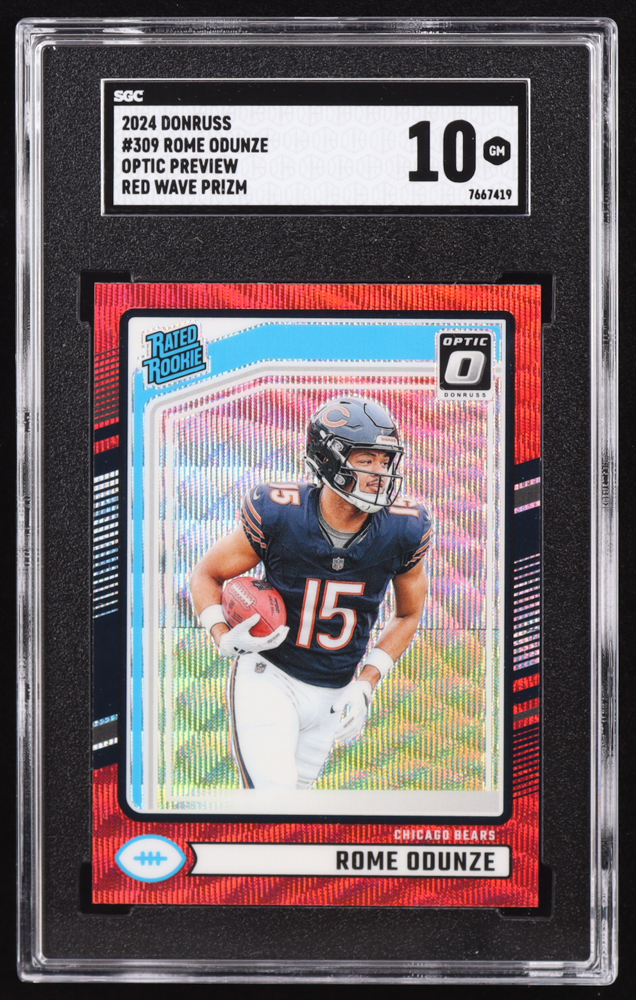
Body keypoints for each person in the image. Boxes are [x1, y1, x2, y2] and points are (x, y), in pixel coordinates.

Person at [190, 396, 432, 790]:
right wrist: (221, 634)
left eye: (386, 461)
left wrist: (367, 682)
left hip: (334, 692)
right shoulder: (281, 513)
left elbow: (408, 614)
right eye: (366, 460)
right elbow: (207, 574)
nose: (380, 473)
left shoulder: (404, 528)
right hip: (271, 676)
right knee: (275, 800)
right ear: (327, 460)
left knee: (298, 810)